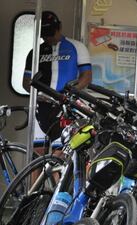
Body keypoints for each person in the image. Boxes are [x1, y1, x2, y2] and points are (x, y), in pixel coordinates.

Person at [23, 11, 92, 149]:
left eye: (51, 33)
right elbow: (26, 82)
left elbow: (87, 77)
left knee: (60, 152)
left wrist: (68, 94)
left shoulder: (77, 47)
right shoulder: (35, 52)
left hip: (66, 108)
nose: (48, 37)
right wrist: (39, 95)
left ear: (59, 27)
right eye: (44, 34)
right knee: (37, 152)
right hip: (41, 107)